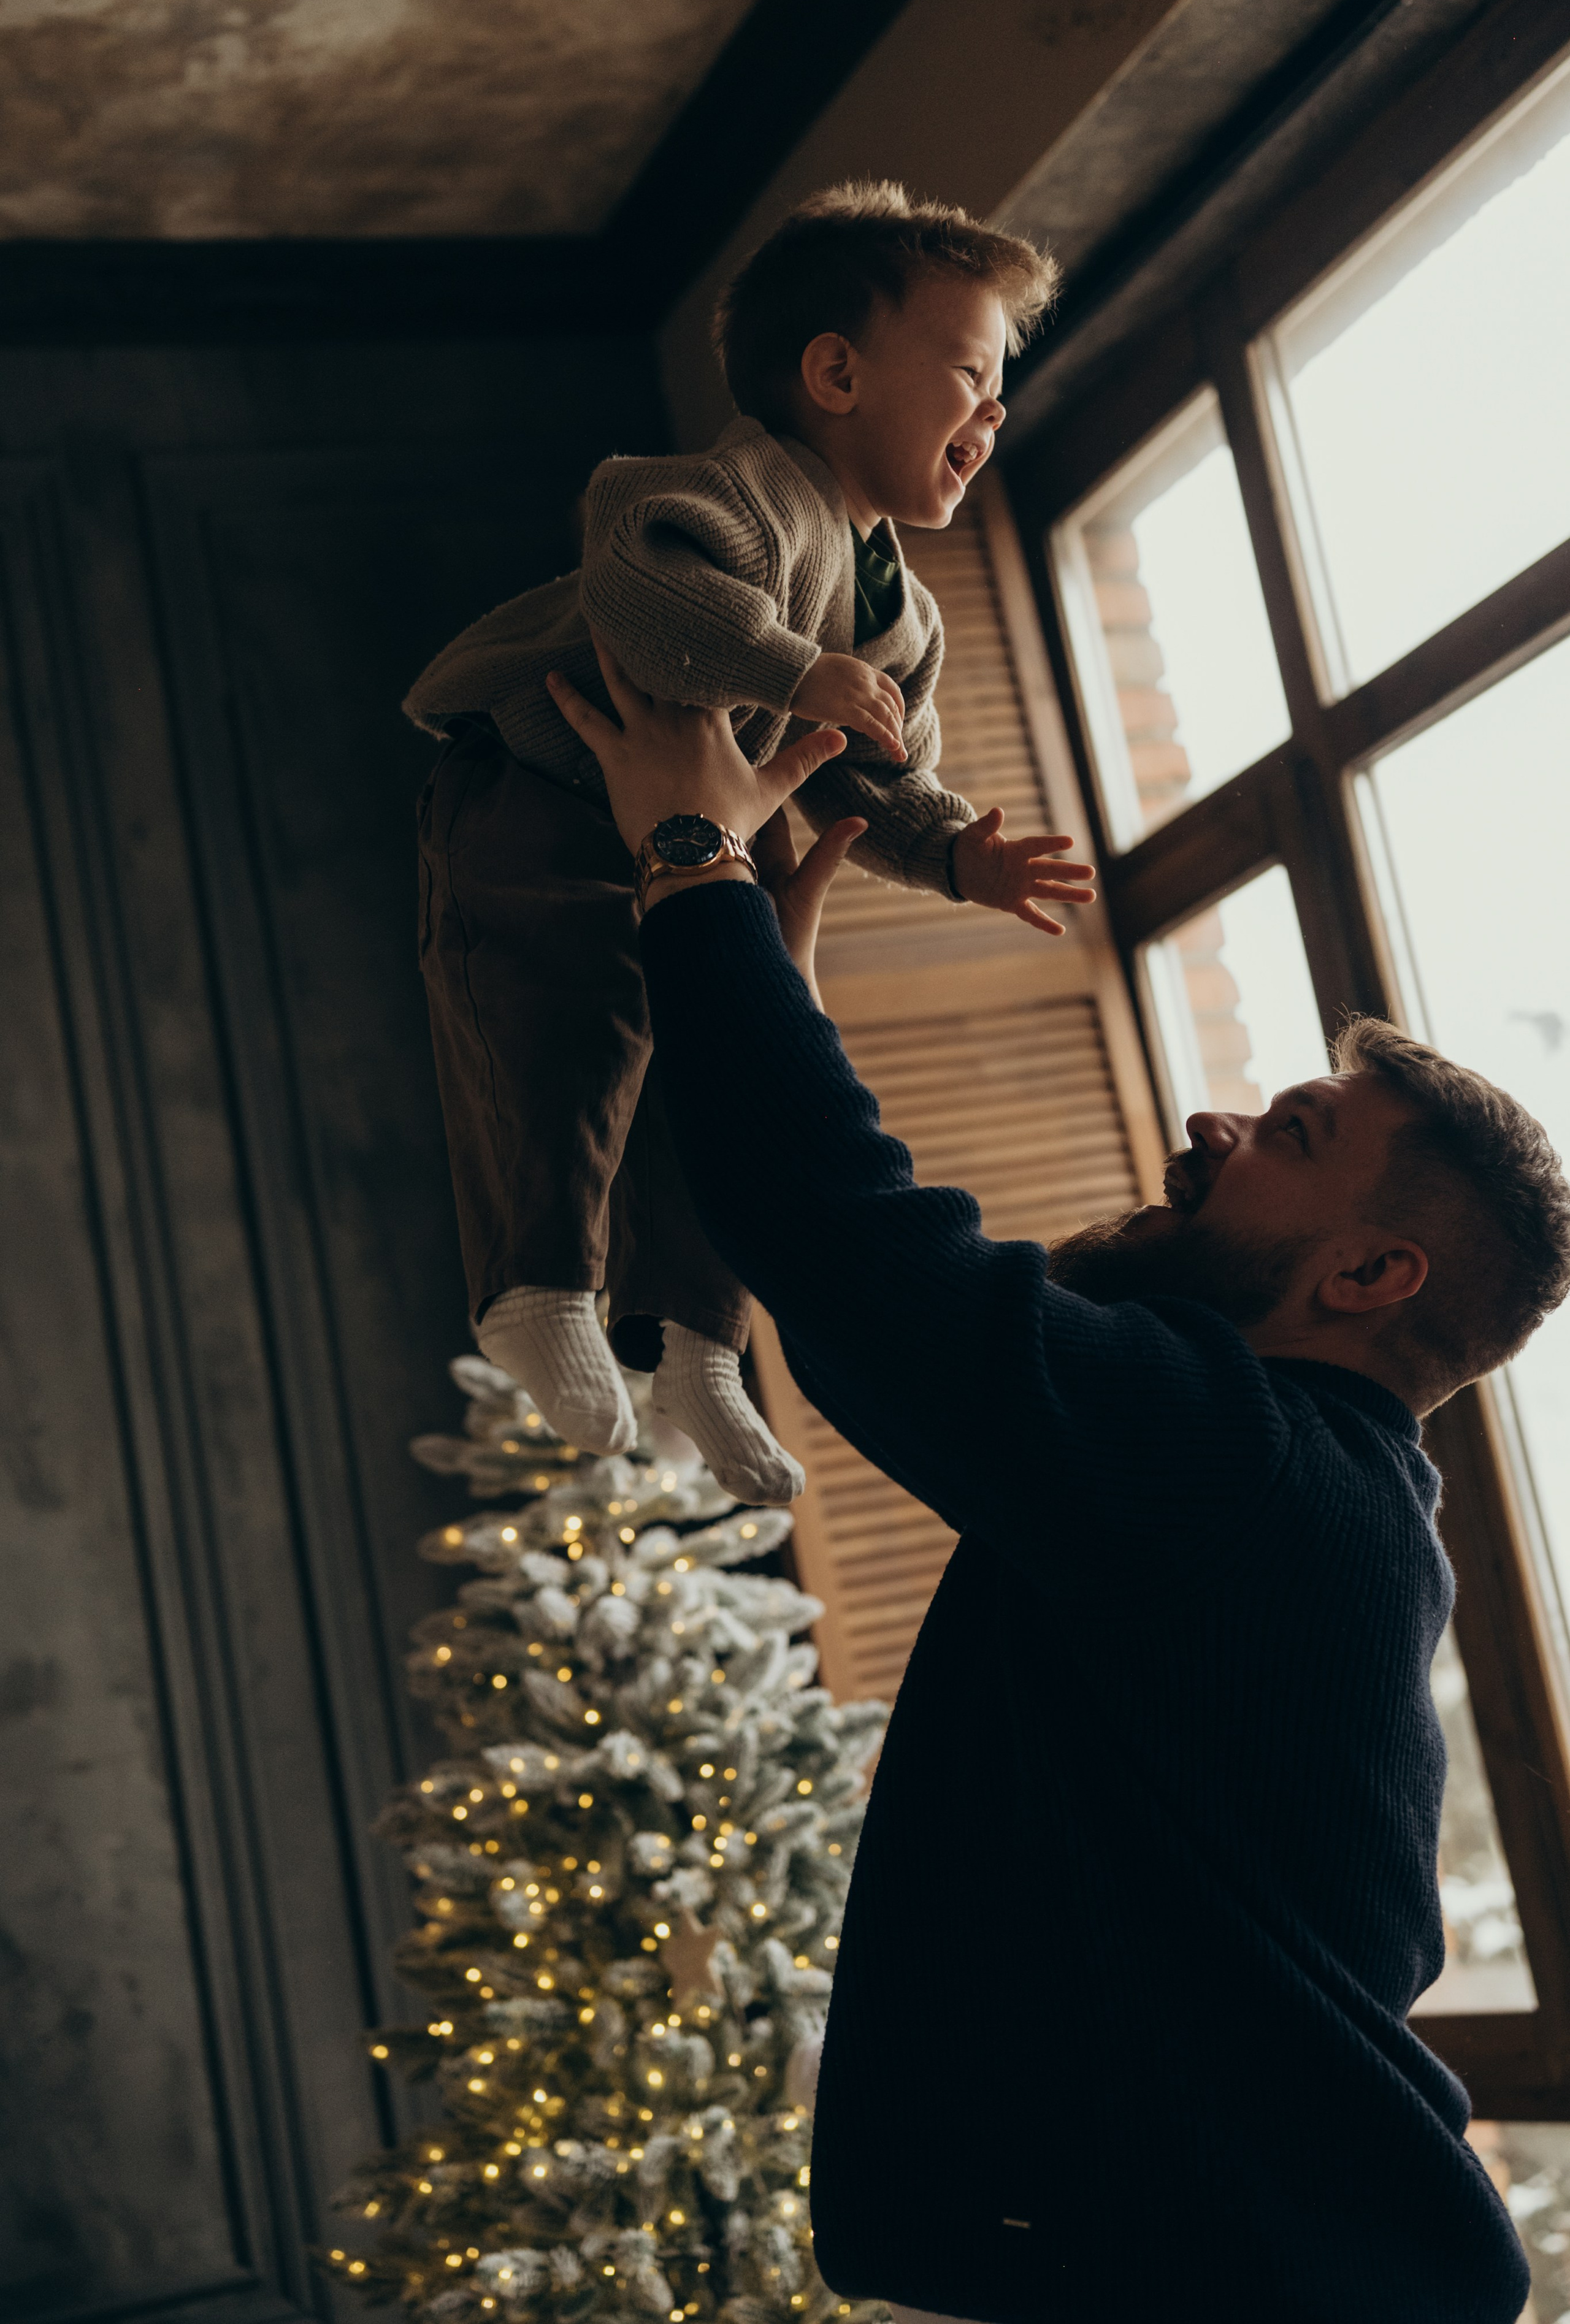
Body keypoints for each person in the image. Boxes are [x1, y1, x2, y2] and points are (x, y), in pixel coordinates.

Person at [541, 645, 1570, 2323]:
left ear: (1371, 1274)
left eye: (1292, 1132)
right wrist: (758, 984)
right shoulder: (1299, 1490)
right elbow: (910, 1281)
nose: (1215, 1124)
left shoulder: (1245, 1466)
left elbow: (869, 1263)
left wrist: (692, 854)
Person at [407, 182, 1082, 1506]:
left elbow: (877, 777)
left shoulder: (905, 614)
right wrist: (793, 666)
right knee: (564, 1035)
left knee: (731, 1068)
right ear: (835, 373)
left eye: (1001, 392)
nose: (993, 413)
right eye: (969, 374)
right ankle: (539, 1284)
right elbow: (643, 584)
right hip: (543, 791)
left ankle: (697, 1341)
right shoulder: (746, 491)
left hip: (701, 842)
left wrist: (958, 855)